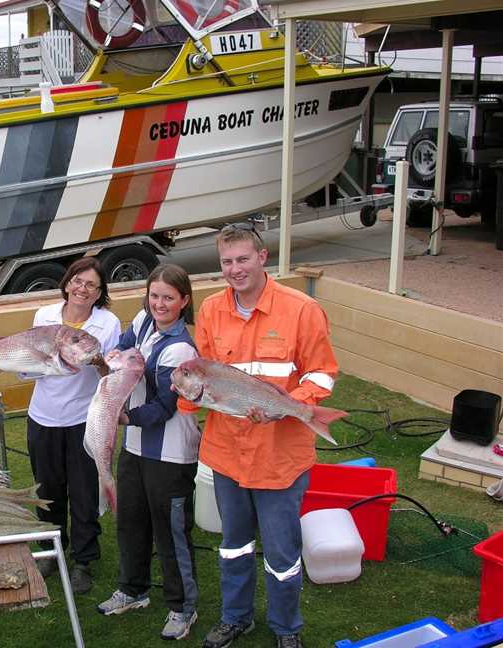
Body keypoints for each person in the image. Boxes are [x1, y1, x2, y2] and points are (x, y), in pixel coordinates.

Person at [189, 222, 340, 648]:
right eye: (226, 262)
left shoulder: (302, 309)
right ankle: (235, 617)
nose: (235, 269)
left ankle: (286, 628)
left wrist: (292, 404)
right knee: (233, 545)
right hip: (227, 454)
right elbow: (204, 372)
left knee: (281, 555)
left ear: (262, 257)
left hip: (280, 456)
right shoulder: (211, 310)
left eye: (242, 259)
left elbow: (322, 373)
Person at [96, 264, 201, 642]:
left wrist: (121, 416)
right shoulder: (142, 320)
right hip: (135, 448)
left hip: (171, 455)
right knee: (131, 521)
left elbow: (163, 408)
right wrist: (111, 358)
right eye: (154, 295)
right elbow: (122, 346)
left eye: (169, 298)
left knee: (171, 532)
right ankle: (133, 589)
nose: (159, 304)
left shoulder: (181, 349)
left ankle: (182, 607)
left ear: (184, 301)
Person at [25, 257, 121, 594]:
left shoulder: (108, 325)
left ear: (99, 293)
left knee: (83, 491)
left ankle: (83, 559)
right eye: (78, 281)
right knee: (47, 489)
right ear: (67, 283)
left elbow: (112, 375)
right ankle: (51, 550)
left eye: (91, 285)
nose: (82, 289)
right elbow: (33, 361)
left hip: (83, 419)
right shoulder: (44, 317)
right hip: (43, 417)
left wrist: (97, 364)